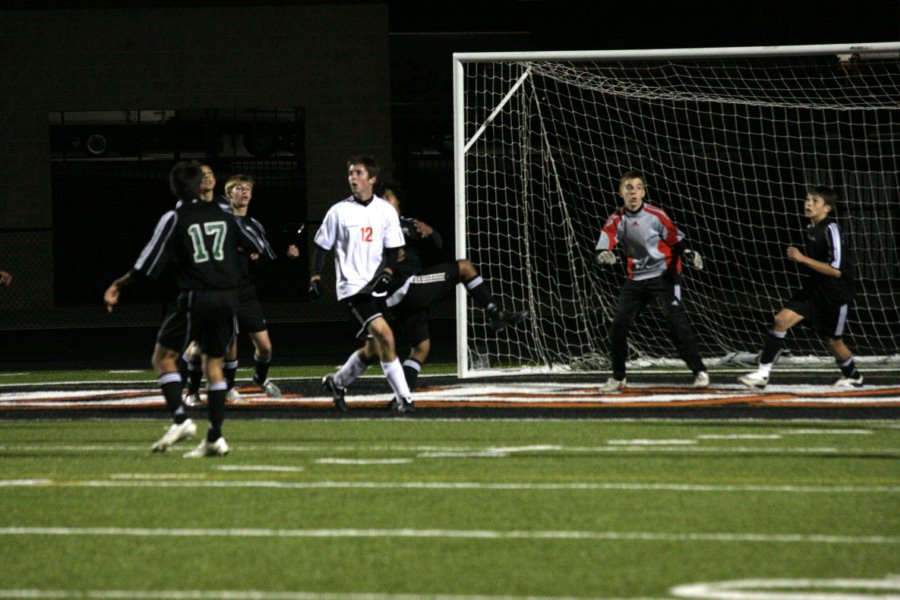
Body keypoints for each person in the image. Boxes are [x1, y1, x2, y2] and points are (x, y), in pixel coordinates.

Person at [104, 159, 265, 457]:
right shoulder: (224, 216)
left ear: (176, 188)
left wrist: (119, 284)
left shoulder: (175, 217)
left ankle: (180, 419)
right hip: (228, 297)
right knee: (213, 364)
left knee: (163, 357)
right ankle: (215, 437)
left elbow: (147, 266)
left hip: (197, 295)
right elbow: (247, 245)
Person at [378, 181, 527, 392]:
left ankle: (403, 394)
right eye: (381, 199)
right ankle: (494, 311)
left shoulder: (405, 223)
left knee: (421, 348)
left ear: (398, 201)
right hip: (407, 287)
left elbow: (437, 244)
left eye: (387, 198)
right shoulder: (387, 225)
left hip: (399, 299)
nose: (384, 203)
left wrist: (430, 232)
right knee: (465, 267)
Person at [307, 156, 413, 413]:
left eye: (358, 173)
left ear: (372, 179)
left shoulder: (385, 210)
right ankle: (405, 399)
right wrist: (315, 277)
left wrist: (388, 271)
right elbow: (321, 248)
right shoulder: (338, 211)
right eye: (350, 173)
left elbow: (395, 249)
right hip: (352, 288)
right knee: (386, 337)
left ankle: (338, 382)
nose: (353, 178)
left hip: (377, 287)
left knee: (375, 349)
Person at [594, 170, 708, 391]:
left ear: (644, 192)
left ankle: (699, 371)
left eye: (637, 188)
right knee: (618, 327)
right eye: (628, 188)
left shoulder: (656, 215)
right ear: (621, 193)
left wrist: (689, 253)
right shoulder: (616, 219)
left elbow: (676, 239)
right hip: (636, 278)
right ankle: (618, 377)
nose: (633, 192)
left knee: (675, 322)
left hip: (665, 275)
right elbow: (603, 244)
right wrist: (602, 254)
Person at [739, 186, 863, 389]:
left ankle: (853, 375)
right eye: (807, 200)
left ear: (828, 208)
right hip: (814, 288)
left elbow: (836, 270)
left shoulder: (831, 228)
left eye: (815, 201)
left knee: (833, 342)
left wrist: (801, 258)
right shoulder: (810, 228)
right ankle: (762, 375)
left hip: (835, 294)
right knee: (781, 320)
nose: (808, 204)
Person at [182, 173, 282, 407]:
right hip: (217, 290)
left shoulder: (253, 225)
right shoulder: (217, 219)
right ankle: (197, 391)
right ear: (228, 195)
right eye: (238, 188)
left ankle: (258, 378)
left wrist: (257, 256)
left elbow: (265, 256)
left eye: (247, 188)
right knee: (219, 345)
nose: (244, 192)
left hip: (245, 291)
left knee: (265, 347)